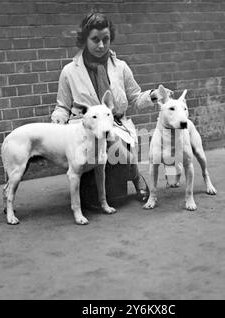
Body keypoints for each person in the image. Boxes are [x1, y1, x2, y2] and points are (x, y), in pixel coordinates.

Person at [51, 12, 165, 206]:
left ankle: (132, 177)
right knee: (93, 197)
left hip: (116, 124)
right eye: (95, 39)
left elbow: (135, 98)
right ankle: (134, 175)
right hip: (84, 129)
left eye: (106, 39)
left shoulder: (121, 68)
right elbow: (62, 106)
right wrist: (57, 122)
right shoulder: (69, 71)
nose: (101, 45)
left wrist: (154, 95)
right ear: (84, 39)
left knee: (110, 138)